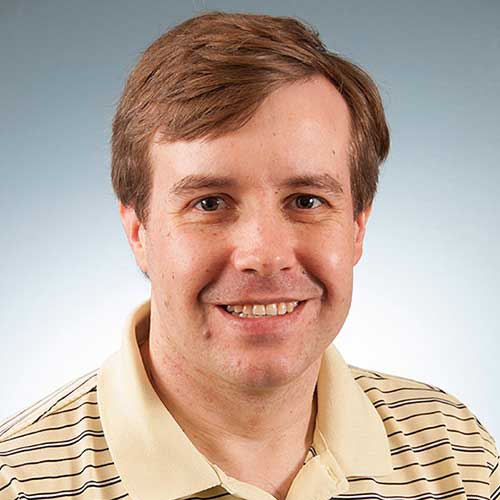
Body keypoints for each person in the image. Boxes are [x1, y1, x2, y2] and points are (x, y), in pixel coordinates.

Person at [0, 11, 497, 500]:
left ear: (357, 226)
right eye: (209, 203)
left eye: (307, 201)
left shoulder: (456, 455)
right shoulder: (16, 483)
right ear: (138, 231)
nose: (264, 255)